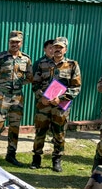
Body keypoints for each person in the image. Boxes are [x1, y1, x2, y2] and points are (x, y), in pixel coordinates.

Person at [30, 37, 82, 172]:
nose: (57, 49)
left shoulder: (72, 65)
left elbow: (76, 87)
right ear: (52, 48)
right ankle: (36, 159)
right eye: (55, 47)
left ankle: (57, 160)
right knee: (40, 132)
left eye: (61, 47)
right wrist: (41, 97)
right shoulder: (43, 64)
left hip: (60, 107)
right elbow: (35, 83)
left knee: (59, 134)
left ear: (66, 49)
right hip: (44, 105)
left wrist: (62, 98)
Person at [0, 30, 33, 166]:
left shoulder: (26, 59)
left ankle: (11, 155)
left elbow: (30, 77)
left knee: (14, 126)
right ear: (9, 42)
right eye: (12, 42)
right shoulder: (0, 58)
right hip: (2, 97)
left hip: (17, 98)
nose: (14, 44)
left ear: (21, 43)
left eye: (17, 42)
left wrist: (19, 85)